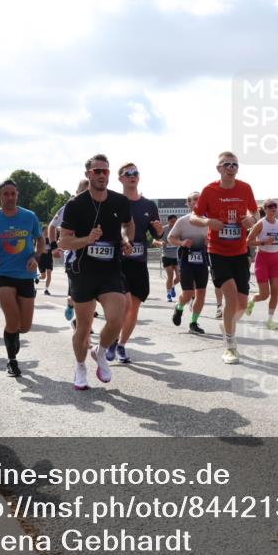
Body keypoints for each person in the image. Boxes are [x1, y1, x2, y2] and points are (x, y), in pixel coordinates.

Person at [57, 155, 133, 388]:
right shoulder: (75, 205)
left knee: (116, 318)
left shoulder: (120, 201)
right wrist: (87, 239)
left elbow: (128, 224)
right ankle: (80, 367)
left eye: (105, 171)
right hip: (83, 271)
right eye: (97, 171)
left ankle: (100, 352)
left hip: (110, 269)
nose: (102, 175)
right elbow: (64, 242)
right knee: (84, 327)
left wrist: (126, 239)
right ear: (88, 174)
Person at [190, 151, 258, 365]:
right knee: (230, 296)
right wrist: (208, 223)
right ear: (218, 168)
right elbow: (194, 217)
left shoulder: (245, 188)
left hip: (239, 252)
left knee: (242, 303)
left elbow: (256, 214)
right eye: (226, 164)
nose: (231, 168)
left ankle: (227, 324)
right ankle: (230, 346)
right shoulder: (209, 190)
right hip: (217, 251)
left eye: (234, 165)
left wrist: (251, 220)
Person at [0, 179, 44, 377]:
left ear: (17, 195)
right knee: (12, 319)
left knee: (24, 327)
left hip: (26, 274)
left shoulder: (29, 216)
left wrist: (35, 257)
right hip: (3, 274)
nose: (9, 197)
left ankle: (13, 335)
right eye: (5, 194)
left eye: (12, 194)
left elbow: (40, 240)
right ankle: (12, 361)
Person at [108, 162, 163, 364]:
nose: (132, 175)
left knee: (133, 309)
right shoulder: (114, 202)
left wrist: (159, 230)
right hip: (118, 262)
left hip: (139, 263)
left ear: (138, 177)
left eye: (135, 173)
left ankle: (121, 345)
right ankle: (111, 339)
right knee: (125, 305)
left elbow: (156, 233)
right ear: (121, 178)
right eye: (128, 173)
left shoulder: (149, 205)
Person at [49, 178, 91, 327]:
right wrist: (54, 246)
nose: (87, 194)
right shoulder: (69, 207)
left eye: (90, 190)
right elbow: (52, 226)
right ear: (77, 192)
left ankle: (80, 321)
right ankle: (73, 308)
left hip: (94, 258)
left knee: (91, 293)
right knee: (80, 294)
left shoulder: (100, 207)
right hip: (74, 259)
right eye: (83, 191)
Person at [245, 198, 278, 330]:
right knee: (264, 294)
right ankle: (252, 301)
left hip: (275, 260)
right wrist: (263, 242)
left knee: (275, 292)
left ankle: (270, 320)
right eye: (270, 206)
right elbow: (248, 241)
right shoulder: (260, 224)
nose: (273, 208)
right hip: (262, 259)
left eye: (275, 206)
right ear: (265, 209)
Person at [169, 191, 209, 334]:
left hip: (202, 261)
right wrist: (182, 242)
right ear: (189, 203)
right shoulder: (183, 221)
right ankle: (179, 307)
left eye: (200, 199)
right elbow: (170, 238)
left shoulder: (208, 221)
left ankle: (193, 322)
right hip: (186, 261)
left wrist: (209, 242)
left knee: (201, 293)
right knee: (187, 293)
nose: (198, 202)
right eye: (194, 200)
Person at [159, 214, 180, 302]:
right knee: (170, 276)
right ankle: (168, 294)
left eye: (175, 221)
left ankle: (172, 286)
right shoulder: (164, 229)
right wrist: (161, 243)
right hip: (166, 255)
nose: (174, 223)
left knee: (179, 277)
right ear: (168, 221)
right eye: (172, 221)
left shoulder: (179, 229)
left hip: (177, 256)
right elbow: (154, 240)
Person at [38, 226, 55, 296]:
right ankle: (36, 278)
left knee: (49, 273)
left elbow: (55, 248)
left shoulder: (51, 240)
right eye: (45, 230)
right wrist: (42, 250)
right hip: (41, 259)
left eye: (47, 230)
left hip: (49, 259)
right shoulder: (40, 239)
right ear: (42, 231)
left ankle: (46, 289)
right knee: (43, 276)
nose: (46, 232)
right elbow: (36, 249)